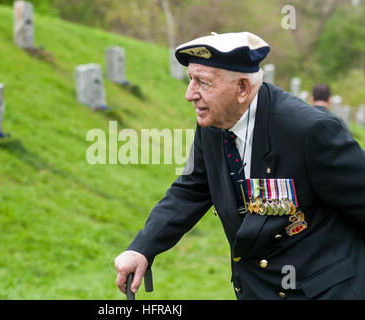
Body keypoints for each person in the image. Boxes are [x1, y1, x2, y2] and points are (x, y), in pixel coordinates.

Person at [114, 31, 365, 300]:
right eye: (190, 80)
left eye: (203, 82)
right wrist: (142, 248)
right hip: (257, 290)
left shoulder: (308, 130)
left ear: (243, 88)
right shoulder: (213, 124)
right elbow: (193, 188)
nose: (190, 94)